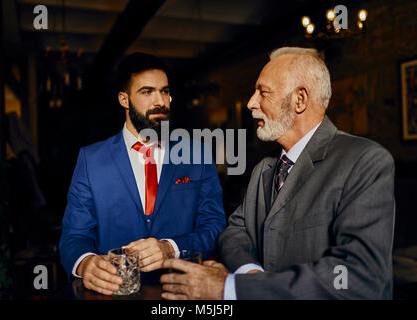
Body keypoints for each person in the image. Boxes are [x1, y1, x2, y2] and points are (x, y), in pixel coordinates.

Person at [161, 47, 395, 300]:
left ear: (300, 100)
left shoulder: (364, 161)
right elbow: (234, 233)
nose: (251, 103)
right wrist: (250, 272)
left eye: (263, 92)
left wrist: (231, 288)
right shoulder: (265, 168)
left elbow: (357, 276)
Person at [59, 52, 226, 295]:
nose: (160, 101)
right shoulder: (91, 159)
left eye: (165, 91)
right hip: (115, 294)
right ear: (124, 99)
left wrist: (171, 247)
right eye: (147, 92)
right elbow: (74, 235)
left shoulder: (197, 153)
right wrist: (85, 264)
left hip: (181, 295)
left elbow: (214, 226)